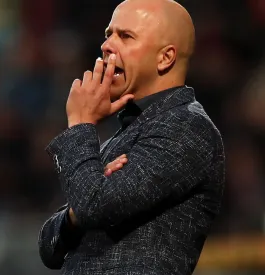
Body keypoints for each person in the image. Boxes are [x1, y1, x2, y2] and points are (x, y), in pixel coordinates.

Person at [37, 0, 225, 274]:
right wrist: (75, 215)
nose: (106, 46)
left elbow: (93, 206)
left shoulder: (186, 126)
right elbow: (49, 248)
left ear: (165, 57)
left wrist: (80, 123)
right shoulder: (123, 134)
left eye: (125, 36)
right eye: (108, 34)